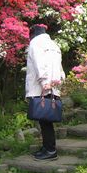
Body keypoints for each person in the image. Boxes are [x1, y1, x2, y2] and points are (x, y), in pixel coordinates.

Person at [26, 24, 65, 161]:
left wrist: (44, 83)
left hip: (41, 86)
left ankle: (50, 150)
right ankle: (46, 147)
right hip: (53, 86)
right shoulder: (53, 44)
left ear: (32, 34)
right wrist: (59, 82)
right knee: (46, 120)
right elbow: (59, 67)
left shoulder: (35, 43)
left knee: (44, 120)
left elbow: (39, 64)